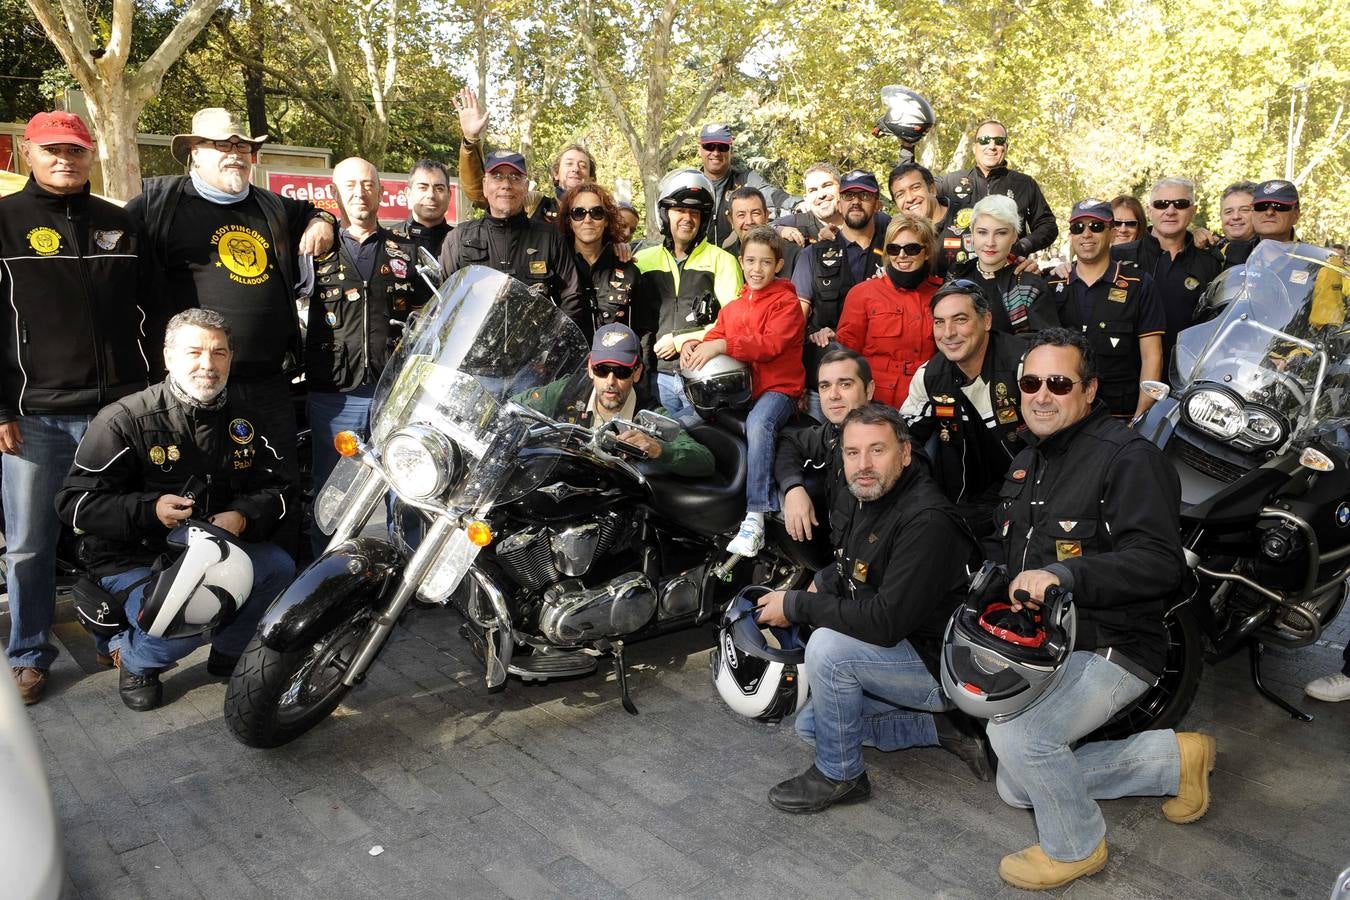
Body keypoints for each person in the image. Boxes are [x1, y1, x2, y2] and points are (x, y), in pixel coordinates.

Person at [985, 328, 1214, 891]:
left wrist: (1065, 574)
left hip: (1118, 645)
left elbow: (1162, 564)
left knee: (1021, 740)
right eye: (1031, 382)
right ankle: (1172, 760)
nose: (1042, 395)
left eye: (1059, 383)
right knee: (1015, 784)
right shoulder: (1026, 460)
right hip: (1051, 645)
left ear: (1089, 391)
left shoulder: (1128, 458)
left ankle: (1076, 846)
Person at [55, 309, 295, 711]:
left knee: (277, 566)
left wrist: (244, 515)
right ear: (167, 356)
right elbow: (73, 503)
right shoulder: (122, 419)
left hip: (211, 551)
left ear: (231, 359)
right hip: (133, 558)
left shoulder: (246, 416)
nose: (208, 364)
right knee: (189, 609)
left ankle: (228, 653)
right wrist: (150, 510)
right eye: (195, 352)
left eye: (219, 353)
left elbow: (279, 487)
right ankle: (136, 660)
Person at [755, 403, 988, 813]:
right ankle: (940, 727)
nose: (863, 464)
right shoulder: (865, 494)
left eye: (877, 450)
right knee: (813, 725)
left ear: (905, 452)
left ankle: (840, 775)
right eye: (852, 452)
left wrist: (798, 604)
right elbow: (852, 564)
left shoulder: (926, 518)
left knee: (828, 651)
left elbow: (884, 623)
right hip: (905, 646)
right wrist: (821, 583)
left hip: (945, 664)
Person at [125, 107, 336, 554]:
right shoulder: (156, 206)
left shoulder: (271, 205)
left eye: (243, 147)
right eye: (223, 146)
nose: (235, 155)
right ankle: (195, 593)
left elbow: (320, 210)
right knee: (198, 489)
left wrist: (322, 222)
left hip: (266, 381)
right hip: (195, 384)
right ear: (194, 154)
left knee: (276, 486)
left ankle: (278, 588)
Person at [0, 111, 152, 704]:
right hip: (32, 418)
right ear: (26, 153)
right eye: (52, 149)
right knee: (30, 544)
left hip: (117, 414)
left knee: (117, 533)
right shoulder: (5, 223)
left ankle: (118, 636)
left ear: (91, 156)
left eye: (76, 150)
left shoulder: (119, 225)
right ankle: (30, 653)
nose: (65, 159)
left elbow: (151, 312)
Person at [305, 157, 429, 547]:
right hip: (334, 394)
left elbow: (431, 315)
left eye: (368, 184)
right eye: (350, 185)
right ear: (336, 193)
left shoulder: (406, 251)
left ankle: (405, 571)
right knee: (331, 495)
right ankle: (323, 574)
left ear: (380, 191)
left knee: (405, 491)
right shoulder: (314, 249)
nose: (360, 192)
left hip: (395, 394)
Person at [681, 226, 805, 556]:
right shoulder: (734, 306)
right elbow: (713, 338)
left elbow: (770, 345)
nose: (756, 269)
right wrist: (693, 345)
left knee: (759, 424)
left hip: (779, 390)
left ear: (778, 265)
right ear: (741, 261)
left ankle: (756, 515)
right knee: (689, 418)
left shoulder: (786, 304)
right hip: (740, 391)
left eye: (765, 262)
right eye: (750, 261)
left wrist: (724, 343)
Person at [900, 281, 1027, 551]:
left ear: (987, 320)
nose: (948, 333)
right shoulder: (930, 375)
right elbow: (903, 439)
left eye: (960, 320)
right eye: (939, 322)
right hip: (966, 503)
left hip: (1030, 497)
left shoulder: (1024, 364)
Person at [520, 323, 714, 478]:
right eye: (602, 370)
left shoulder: (647, 414)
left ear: (636, 372)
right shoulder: (568, 389)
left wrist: (658, 449)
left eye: (621, 372)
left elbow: (704, 460)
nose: (610, 381)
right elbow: (516, 405)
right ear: (590, 368)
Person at [634, 168, 743, 421]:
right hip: (654, 378)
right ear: (665, 214)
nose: (687, 218)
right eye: (680, 210)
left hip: (703, 376)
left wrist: (680, 339)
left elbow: (733, 322)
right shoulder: (641, 261)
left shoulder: (722, 261)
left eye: (694, 213)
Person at [438, 149, 586, 335]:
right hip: (470, 355)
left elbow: (572, 298)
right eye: (497, 177)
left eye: (515, 177)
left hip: (533, 359)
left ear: (525, 187)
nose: (506, 185)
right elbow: (443, 301)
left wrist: (551, 346)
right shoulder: (458, 238)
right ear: (485, 185)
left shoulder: (550, 237)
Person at [1048, 200, 1164, 419]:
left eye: (1096, 226)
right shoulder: (1052, 285)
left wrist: (1141, 417)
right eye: (1078, 227)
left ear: (1111, 233)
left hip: (1120, 415)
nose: (1086, 234)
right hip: (1066, 415)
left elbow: (1152, 357)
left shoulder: (1138, 284)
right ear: (1071, 236)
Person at [792, 169, 889, 419]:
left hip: (883, 383)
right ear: (840, 202)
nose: (855, 201)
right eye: (848, 195)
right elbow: (793, 326)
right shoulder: (812, 256)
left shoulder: (898, 253)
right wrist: (794, 383)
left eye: (864, 195)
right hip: (827, 388)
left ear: (877, 203)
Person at [1111, 176, 1222, 360]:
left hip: (1185, 376)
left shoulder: (1210, 262)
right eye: (1162, 204)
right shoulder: (1118, 256)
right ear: (1149, 210)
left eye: (1180, 204)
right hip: (1127, 378)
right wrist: (1063, 269)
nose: (1170, 211)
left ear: (1193, 211)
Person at [835, 214, 941, 406]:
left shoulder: (944, 294)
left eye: (912, 249)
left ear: (926, 252)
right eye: (894, 249)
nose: (901, 255)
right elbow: (847, 358)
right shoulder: (863, 294)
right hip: (876, 403)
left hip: (930, 397)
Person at [775, 348, 875, 547]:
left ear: (869, 390)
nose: (833, 395)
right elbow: (790, 442)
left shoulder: (889, 446)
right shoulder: (833, 430)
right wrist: (793, 488)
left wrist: (826, 578)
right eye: (825, 386)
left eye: (845, 384)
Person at [454, 86, 595, 224]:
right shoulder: (535, 204)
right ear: (556, 173)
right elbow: (480, 194)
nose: (575, 169)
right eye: (569, 163)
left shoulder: (602, 212)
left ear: (591, 178)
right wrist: (470, 139)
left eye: (582, 165)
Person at [937, 120, 1057, 258]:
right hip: (958, 272)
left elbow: (1048, 226)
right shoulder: (950, 182)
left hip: (1007, 271)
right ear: (974, 147)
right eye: (984, 140)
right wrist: (909, 148)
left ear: (1006, 147)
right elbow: (915, 189)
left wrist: (1023, 246)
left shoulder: (1025, 184)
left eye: (999, 141)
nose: (992, 146)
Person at [558, 182, 655, 354]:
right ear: (569, 220)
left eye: (597, 213)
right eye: (578, 213)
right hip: (566, 373)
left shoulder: (628, 271)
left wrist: (641, 377)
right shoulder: (556, 265)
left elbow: (644, 332)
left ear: (606, 220)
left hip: (614, 374)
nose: (588, 220)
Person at [947, 194, 1059, 335]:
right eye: (982, 232)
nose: (990, 242)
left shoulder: (1029, 285)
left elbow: (1046, 342)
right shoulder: (956, 276)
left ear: (1014, 236)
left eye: (1001, 233)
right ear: (972, 232)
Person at [696, 122, 792, 247]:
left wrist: (797, 203)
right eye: (709, 146)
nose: (716, 153)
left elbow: (772, 194)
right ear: (700, 150)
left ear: (731, 150)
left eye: (722, 147)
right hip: (697, 261)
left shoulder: (746, 179)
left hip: (736, 260)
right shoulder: (690, 184)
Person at [887, 162, 960, 275]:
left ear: (932, 189)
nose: (910, 198)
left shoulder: (970, 222)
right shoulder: (897, 235)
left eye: (915, 188)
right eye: (900, 194)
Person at [722, 186, 799, 276]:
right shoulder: (725, 258)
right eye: (741, 215)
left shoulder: (793, 255)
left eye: (755, 213)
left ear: (766, 216)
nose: (749, 221)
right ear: (731, 220)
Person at [391, 159, 454, 257]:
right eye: (423, 188)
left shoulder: (460, 241)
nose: (431, 195)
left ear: (449, 195)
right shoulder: (387, 239)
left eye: (439, 189)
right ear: (408, 194)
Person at [773, 162, 843, 247]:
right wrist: (779, 230)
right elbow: (761, 228)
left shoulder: (859, 219)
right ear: (806, 198)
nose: (821, 195)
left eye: (827, 186)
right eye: (813, 190)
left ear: (841, 188)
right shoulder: (797, 223)